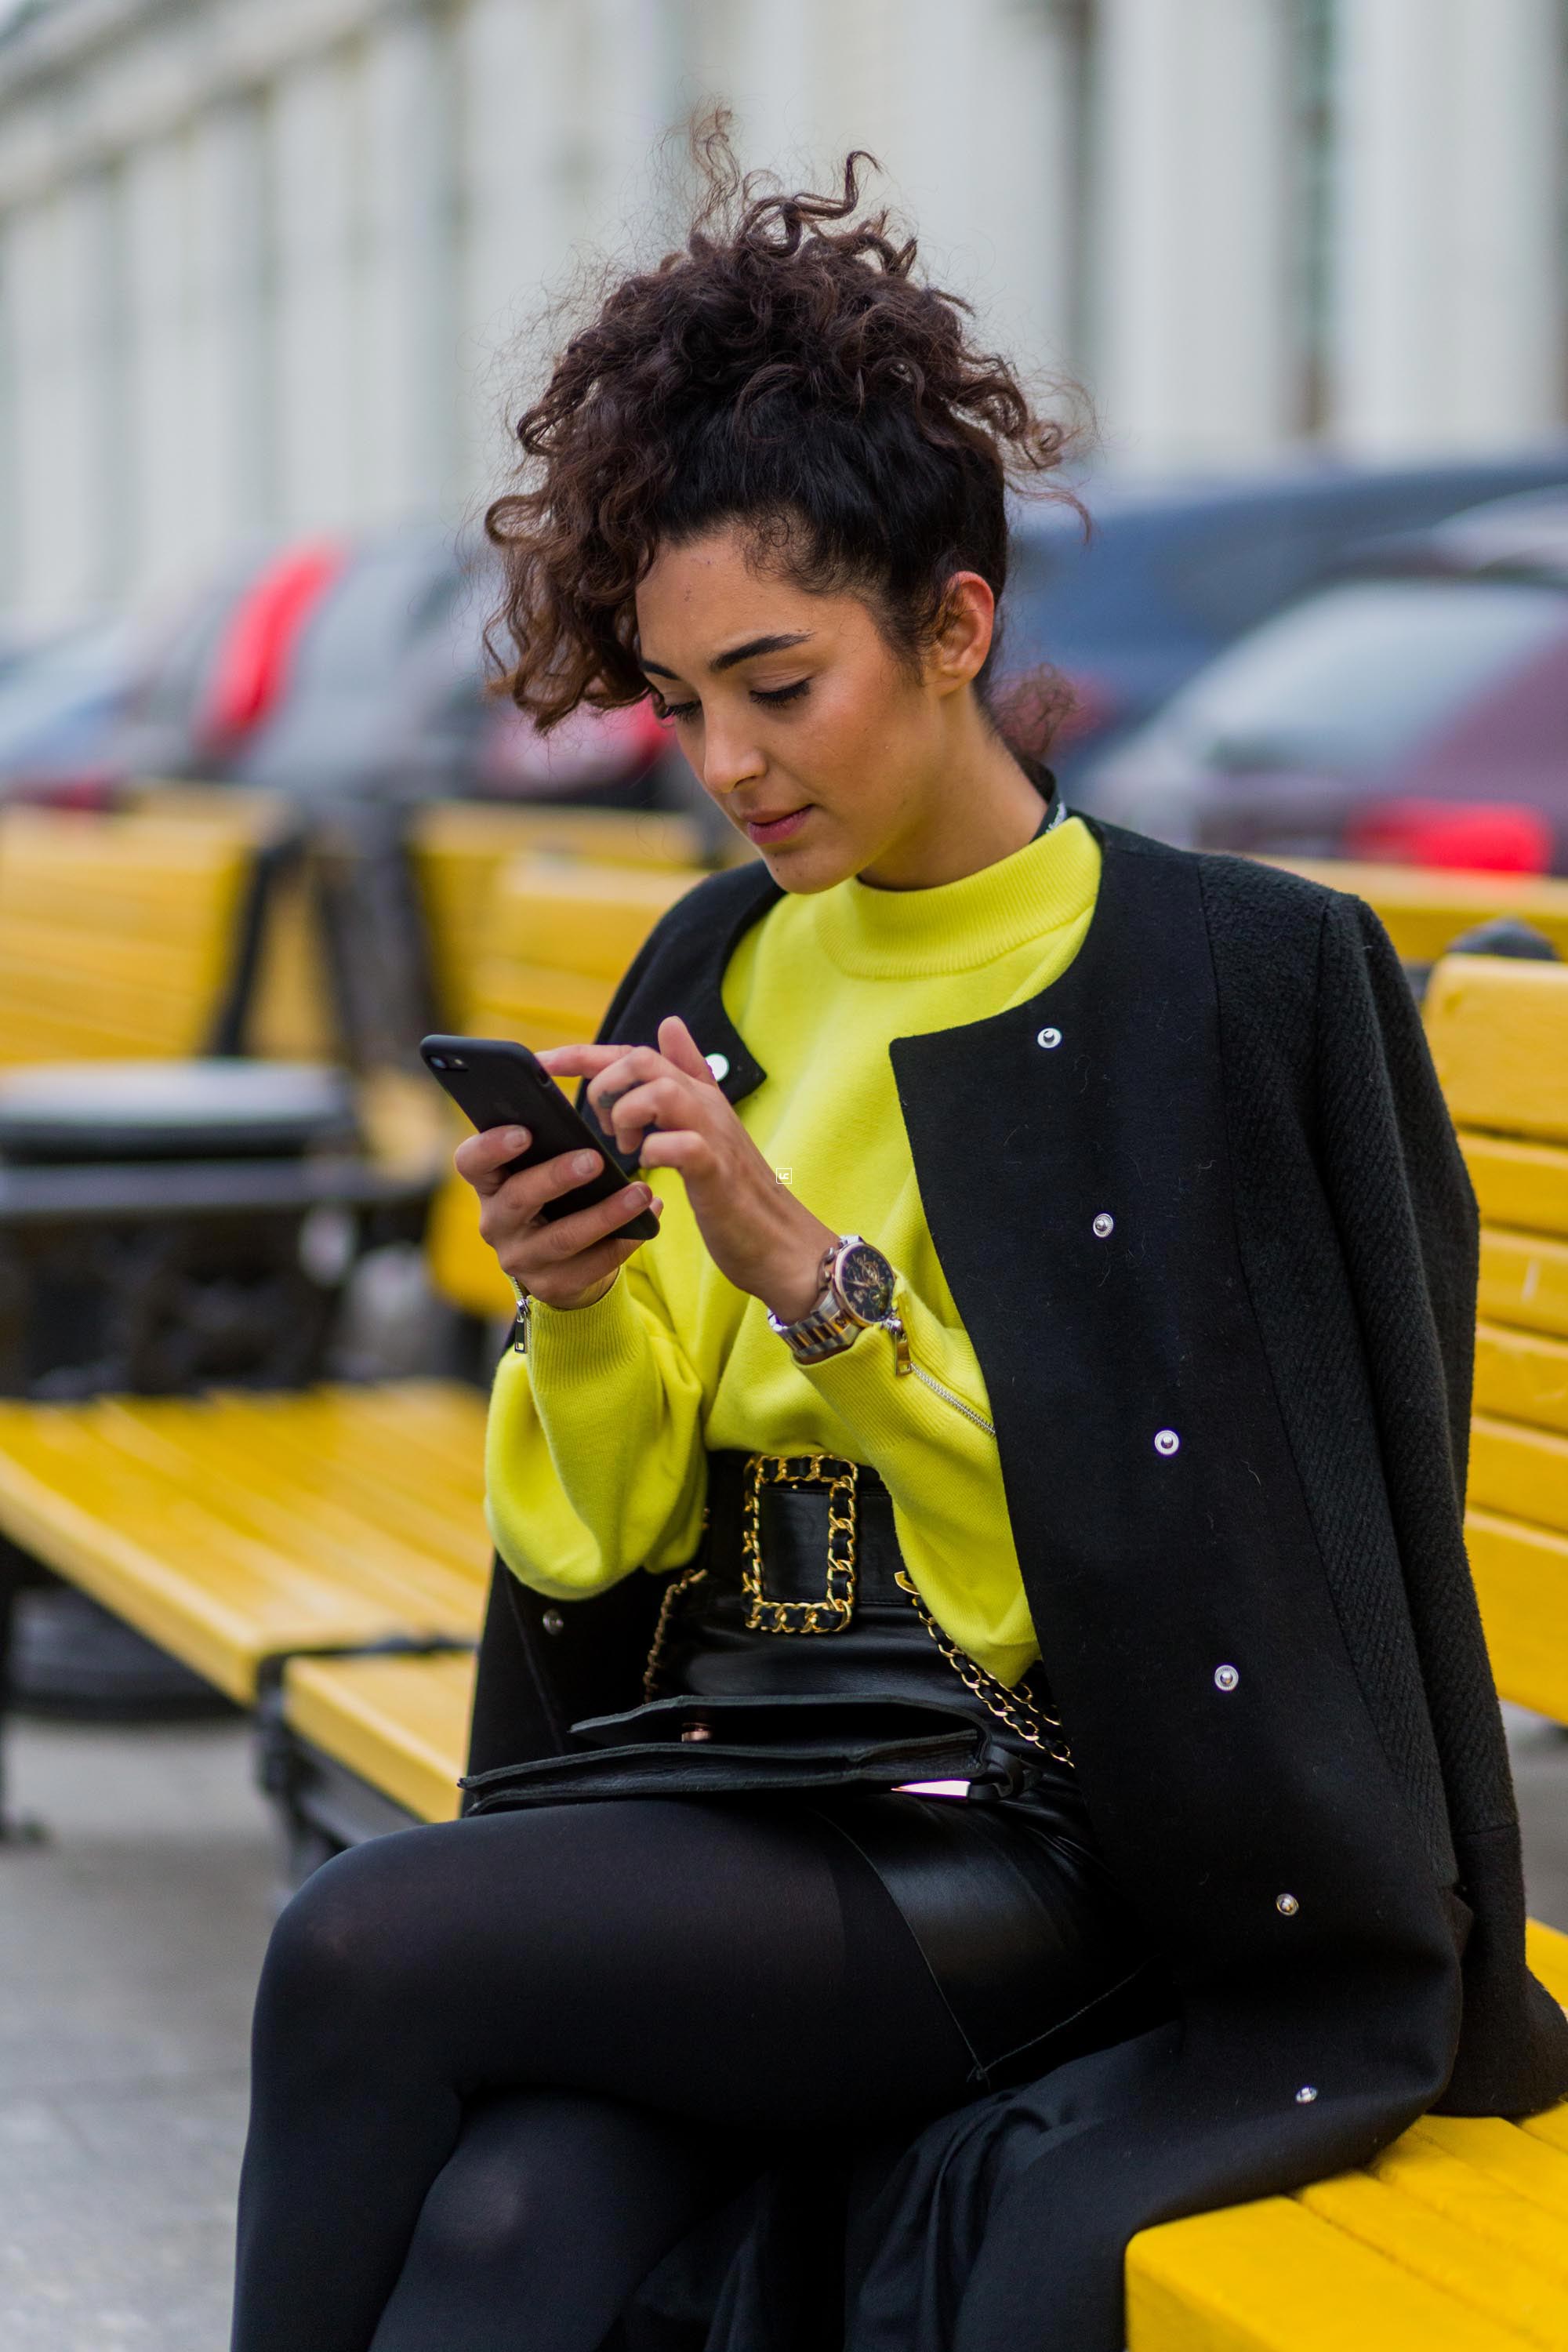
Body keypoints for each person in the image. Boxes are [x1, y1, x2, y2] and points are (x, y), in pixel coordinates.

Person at [230, 133, 1568, 2352]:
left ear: (955, 624)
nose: (731, 766)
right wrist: (576, 1310)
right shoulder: (718, 957)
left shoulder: (1223, 983)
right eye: (681, 706)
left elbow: (1200, 1587)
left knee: (358, 1946)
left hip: (1053, 1833)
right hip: (733, 1795)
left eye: (780, 681)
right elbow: (586, 1556)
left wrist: (817, 1284)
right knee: (507, 2239)